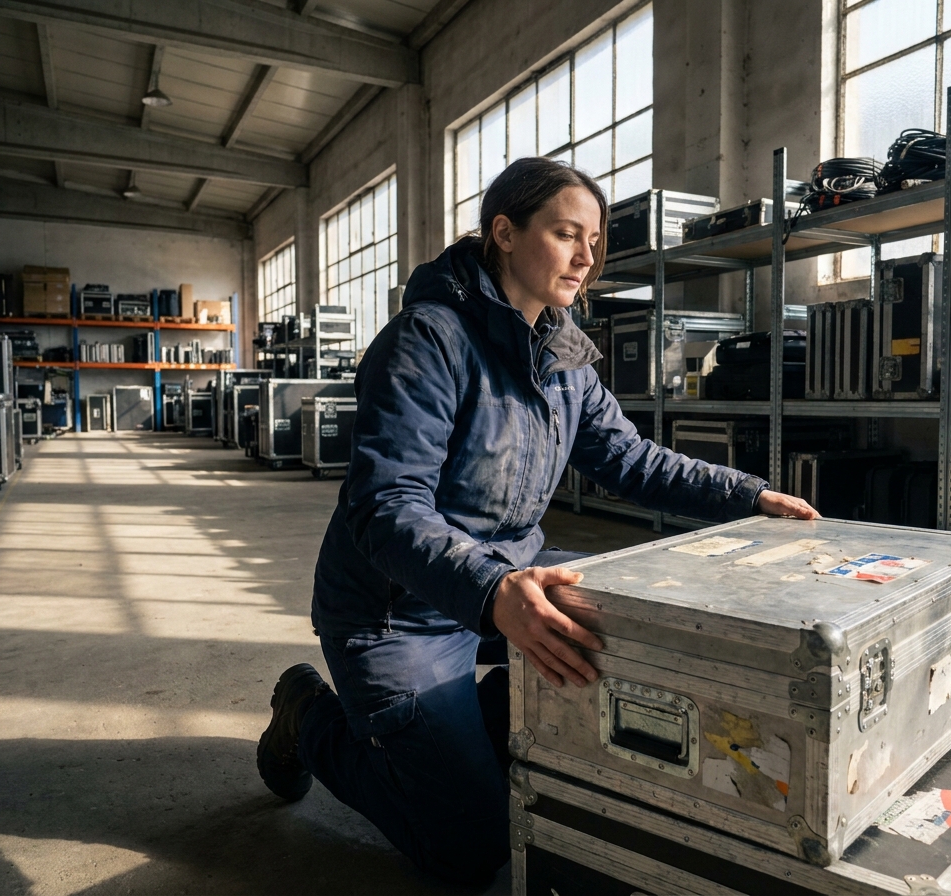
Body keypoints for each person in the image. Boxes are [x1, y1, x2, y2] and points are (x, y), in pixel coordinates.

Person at [256, 157, 819, 885]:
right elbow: (385, 509)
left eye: (596, 239)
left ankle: (475, 725)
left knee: (639, 654)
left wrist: (748, 494)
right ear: (504, 232)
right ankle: (310, 717)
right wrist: (493, 591)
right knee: (472, 847)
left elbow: (628, 458)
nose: (587, 256)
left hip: (507, 583)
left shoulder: (565, 357)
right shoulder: (426, 343)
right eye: (565, 233)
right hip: (398, 610)